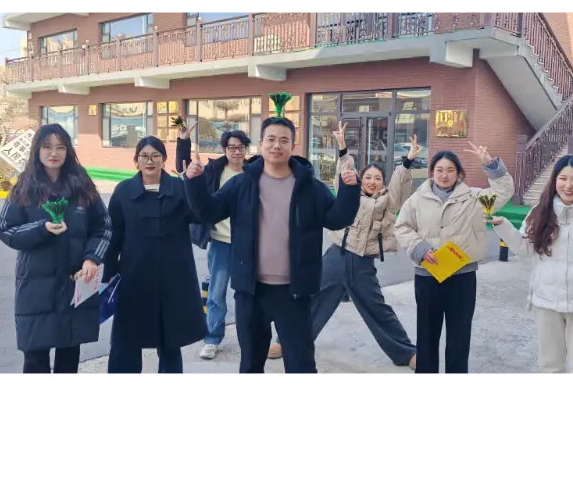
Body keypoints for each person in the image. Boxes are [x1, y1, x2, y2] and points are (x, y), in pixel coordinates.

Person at [183, 112, 361, 378]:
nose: (277, 145)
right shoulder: (242, 183)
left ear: (292, 145)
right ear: (261, 143)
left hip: (295, 291)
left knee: (301, 363)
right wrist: (195, 183)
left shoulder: (308, 186)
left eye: (284, 140)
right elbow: (209, 211)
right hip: (251, 291)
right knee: (251, 364)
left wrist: (349, 191)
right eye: (271, 139)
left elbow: (336, 219)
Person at [269, 121, 420, 369]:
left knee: (377, 308)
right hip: (336, 255)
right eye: (368, 177)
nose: (372, 181)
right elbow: (344, 172)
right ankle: (287, 341)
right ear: (360, 180)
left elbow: (400, 183)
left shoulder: (389, 201)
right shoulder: (351, 194)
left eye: (377, 178)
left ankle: (406, 352)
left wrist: (408, 161)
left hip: (362, 262)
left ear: (383, 183)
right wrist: (341, 147)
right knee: (312, 299)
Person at [489, 154, 573, 380]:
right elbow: (525, 249)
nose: (568, 186)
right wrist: (504, 228)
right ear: (555, 181)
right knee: (550, 366)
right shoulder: (538, 214)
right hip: (546, 302)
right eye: (563, 178)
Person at [0, 124, 111, 377]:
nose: (54, 153)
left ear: (68, 150)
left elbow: (103, 226)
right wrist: (42, 228)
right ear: (37, 150)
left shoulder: (82, 185)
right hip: (36, 287)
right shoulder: (24, 186)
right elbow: (5, 229)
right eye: (47, 146)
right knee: (35, 358)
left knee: (69, 356)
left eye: (60, 147)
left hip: (74, 283)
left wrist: (91, 259)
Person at [394, 142, 514, 377]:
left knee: (459, 336)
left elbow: (503, 192)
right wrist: (419, 248)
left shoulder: (475, 199)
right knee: (427, 335)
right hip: (427, 276)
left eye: (450, 170)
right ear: (432, 173)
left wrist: (490, 164)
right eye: (439, 170)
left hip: (462, 278)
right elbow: (402, 226)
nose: (444, 175)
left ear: (459, 173)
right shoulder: (418, 199)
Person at [102, 136, 207, 377]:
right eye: (144, 156)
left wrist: (196, 182)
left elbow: (200, 214)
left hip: (173, 279)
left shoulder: (179, 188)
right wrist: (107, 274)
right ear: (136, 161)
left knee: (169, 341)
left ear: (163, 159)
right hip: (134, 278)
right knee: (126, 340)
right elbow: (113, 236)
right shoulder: (123, 192)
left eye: (155, 155)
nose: (150, 161)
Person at [175, 123, 255, 360]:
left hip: (248, 245)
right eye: (231, 148)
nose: (236, 152)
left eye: (240, 147)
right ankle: (212, 339)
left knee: (251, 295)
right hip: (220, 242)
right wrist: (183, 141)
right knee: (216, 293)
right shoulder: (214, 170)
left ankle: (252, 338)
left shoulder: (254, 172)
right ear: (225, 149)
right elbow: (186, 170)